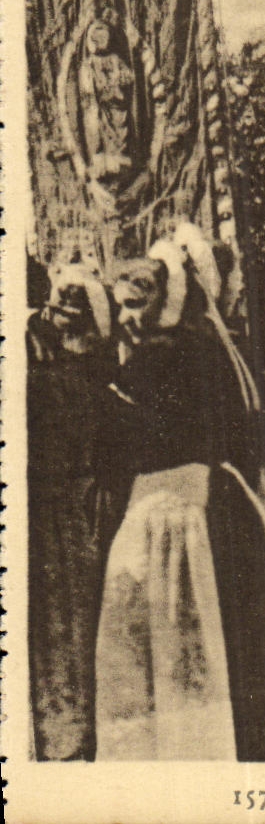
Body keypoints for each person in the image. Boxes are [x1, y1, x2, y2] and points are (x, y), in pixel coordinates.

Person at [96, 225, 265, 759]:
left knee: (202, 619)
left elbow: (124, 442)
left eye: (138, 306)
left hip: (185, 503)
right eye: (125, 307)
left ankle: (229, 739)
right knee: (242, 617)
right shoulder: (216, 348)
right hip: (225, 496)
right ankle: (263, 733)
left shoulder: (165, 358)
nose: (130, 318)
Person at [28, 260, 117, 760]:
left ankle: (71, 724)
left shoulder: (87, 368)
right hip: (49, 497)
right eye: (57, 306)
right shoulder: (37, 357)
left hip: (72, 500)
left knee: (71, 610)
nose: (62, 317)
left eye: (73, 310)